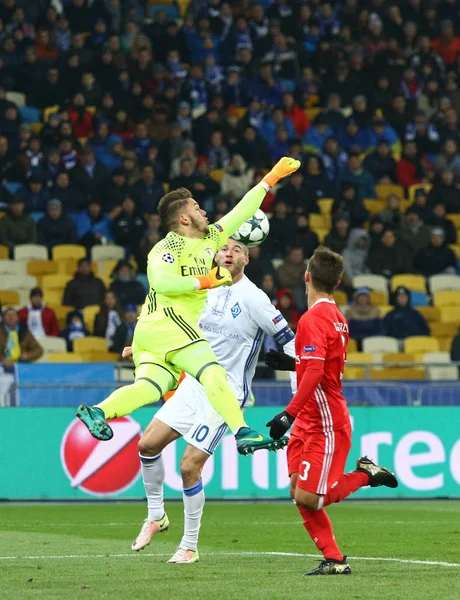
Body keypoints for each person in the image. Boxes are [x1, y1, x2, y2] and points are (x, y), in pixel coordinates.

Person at [75, 156, 301, 457]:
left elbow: (242, 211)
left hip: (152, 336)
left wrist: (269, 179)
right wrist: (208, 280)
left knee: (150, 387)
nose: (203, 210)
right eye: (196, 207)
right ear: (183, 219)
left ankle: (99, 411)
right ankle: (242, 432)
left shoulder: (211, 237)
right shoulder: (166, 248)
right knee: (213, 372)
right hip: (170, 324)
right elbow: (162, 282)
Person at [129, 238, 296, 562]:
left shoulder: (255, 299)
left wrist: (295, 392)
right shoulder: (202, 290)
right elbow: (177, 329)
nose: (229, 253)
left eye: (237, 250)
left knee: (189, 466)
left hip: (226, 393)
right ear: (215, 254)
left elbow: (288, 341)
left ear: (247, 259)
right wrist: (143, 349)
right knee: (146, 446)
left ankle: (189, 547)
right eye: (224, 249)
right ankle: (156, 516)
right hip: (193, 384)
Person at [265, 246, 398, 576]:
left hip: (323, 422)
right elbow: (319, 366)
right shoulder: (338, 318)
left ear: (307, 277)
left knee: (311, 498)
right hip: (311, 419)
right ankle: (335, 559)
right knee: (297, 491)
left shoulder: (312, 318)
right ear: (337, 282)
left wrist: (288, 413)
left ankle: (366, 474)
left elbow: (314, 374)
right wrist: (292, 364)